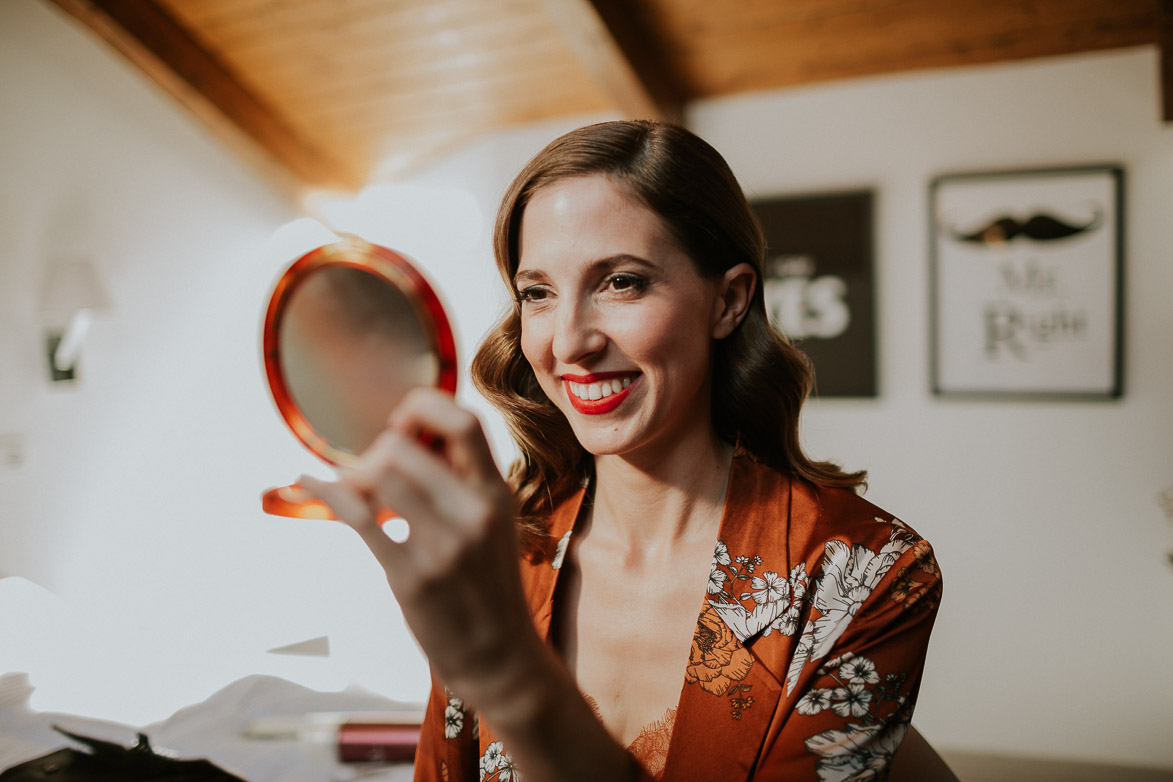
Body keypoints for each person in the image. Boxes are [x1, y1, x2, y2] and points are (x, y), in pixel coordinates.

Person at [301, 120, 942, 781]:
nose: (569, 341)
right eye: (538, 293)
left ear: (727, 301)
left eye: (621, 282)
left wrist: (509, 676)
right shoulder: (506, 550)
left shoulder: (864, 576)